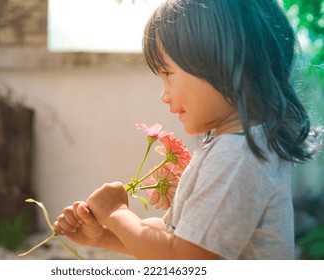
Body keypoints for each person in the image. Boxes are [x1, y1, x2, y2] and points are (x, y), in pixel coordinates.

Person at [53, 0, 322, 259]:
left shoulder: (235, 157)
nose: (164, 95)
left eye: (168, 74)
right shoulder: (241, 147)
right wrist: (102, 236)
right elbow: (176, 240)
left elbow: (183, 258)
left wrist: (116, 213)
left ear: (225, 63)